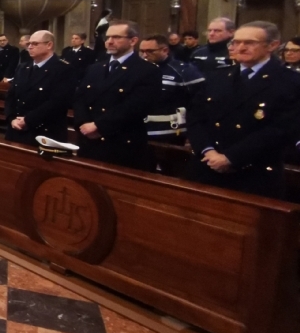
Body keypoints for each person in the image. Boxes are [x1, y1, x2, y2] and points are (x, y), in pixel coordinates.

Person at [185, 21, 300, 199]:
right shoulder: (218, 76)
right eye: (236, 42)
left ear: (273, 45)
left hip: (253, 173)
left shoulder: (289, 81)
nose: (241, 47)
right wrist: (208, 151)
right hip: (207, 166)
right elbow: (196, 117)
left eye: (250, 43)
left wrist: (230, 158)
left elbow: (281, 129)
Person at [73, 19, 159, 169]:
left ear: (133, 40)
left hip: (120, 144)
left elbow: (135, 106)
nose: (110, 41)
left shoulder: (146, 70)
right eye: (108, 37)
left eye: (117, 37)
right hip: (89, 141)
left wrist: (99, 126)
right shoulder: (95, 68)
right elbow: (80, 98)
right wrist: (82, 123)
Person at [4, 30, 74, 146]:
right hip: (16, 129)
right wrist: (11, 118)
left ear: (49, 45)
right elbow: (11, 96)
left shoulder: (63, 69)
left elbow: (57, 102)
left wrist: (27, 120)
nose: (30, 47)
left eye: (35, 44)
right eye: (29, 44)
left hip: (44, 132)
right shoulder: (23, 67)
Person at [137, 33, 204, 146]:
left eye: (149, 51)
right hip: (140, 130)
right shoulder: (137, 69)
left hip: (171, 132)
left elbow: (200, 103)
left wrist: (194, 132)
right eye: (141, 51)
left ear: (165, 50)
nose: (144, 55)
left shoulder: (184, 71)